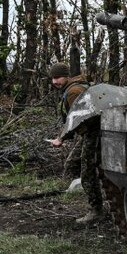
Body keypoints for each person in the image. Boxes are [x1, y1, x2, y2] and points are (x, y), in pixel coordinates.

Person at [47, 61, 105, 225]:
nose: (54, 82)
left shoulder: (74, 91)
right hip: (89, 132)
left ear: (66, 76)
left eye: (57, 77)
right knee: (72, 163)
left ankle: (96, 211)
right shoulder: (75, 87)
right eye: (52, 78)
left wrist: (61, 138)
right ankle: (99, 197)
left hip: (92, 132)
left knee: (87, 172)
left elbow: (78, 119)